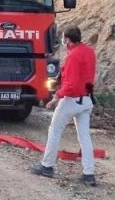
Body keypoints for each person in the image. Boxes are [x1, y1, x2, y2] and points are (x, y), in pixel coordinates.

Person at [30, 25, 98, 187]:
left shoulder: (73, 56)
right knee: (84, 137)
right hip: (86, 99)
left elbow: (72, 84)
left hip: (72, 99)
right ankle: (89, 174)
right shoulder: (89, 51)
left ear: (67, 39)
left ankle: (47, 166)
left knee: (54, 130)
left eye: (63, 38)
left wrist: (56, 97)